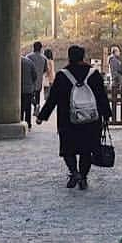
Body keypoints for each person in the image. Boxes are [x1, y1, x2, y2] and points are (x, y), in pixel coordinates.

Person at [37, 45, 111, 190]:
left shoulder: (62, 75)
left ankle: (74, 172)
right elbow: (102, 97)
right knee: (87, 149)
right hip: (91, 119)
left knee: (68, 149)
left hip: (68, 119)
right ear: (83, 56)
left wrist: (42, 116)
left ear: (69, 57)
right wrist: (107, 114)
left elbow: (53, 99)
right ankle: (83, 177)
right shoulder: (94, 74)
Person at [26, 41, 48, 117]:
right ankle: (37, 107)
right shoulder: (44, 58)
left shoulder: (28, 57)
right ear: (41, 48)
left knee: (30, 96)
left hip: (30, 80)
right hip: (39, 79)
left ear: (33, 47)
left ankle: (35, 105)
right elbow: (45, 69)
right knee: (38, 94)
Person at [20, 54, 39, 130]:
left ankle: (20, 121)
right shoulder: (29, 62)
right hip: (28, 89)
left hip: (18, 89)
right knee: (28, 107)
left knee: (20, 107)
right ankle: (28, 124)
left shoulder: (14, 62)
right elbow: (35, 75)